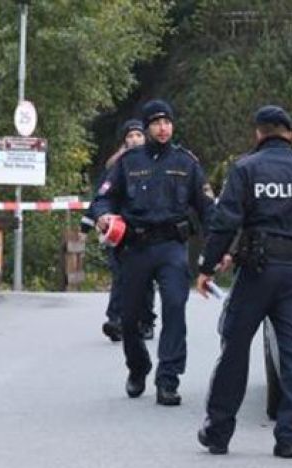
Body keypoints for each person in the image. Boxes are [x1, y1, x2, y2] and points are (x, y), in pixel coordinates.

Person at [195, 105, 292, 457]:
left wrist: (207, 265)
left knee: (234, 350)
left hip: (257, 272)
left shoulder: (246, 168)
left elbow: (225, 221)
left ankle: (218, 433)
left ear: (259, 133)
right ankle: (290, 439)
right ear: (290, 134)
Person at [91, 99, 214, 406]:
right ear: (146, 128)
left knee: (174, 308)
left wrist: (217, 249)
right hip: (135, 247)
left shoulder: (187, 163)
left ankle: (168, 379)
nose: (163, 128)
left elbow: (208, 208)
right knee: (130, 318)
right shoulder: (128, 162)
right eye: (157, 123)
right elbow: (102, 199)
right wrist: (103, 215)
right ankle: (138, 367)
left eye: (168, 122)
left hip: (172, 247)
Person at [81, 120, 157, 342]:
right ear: (124, 139)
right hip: (120, 231)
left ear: (146, 138)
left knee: (145, 278)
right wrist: (87, 225)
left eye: (139, 135)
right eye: (130, 136)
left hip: (147, 229)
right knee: (120, 276)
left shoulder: (156, 162)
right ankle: (116, 321)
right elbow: (100, 198)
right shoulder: (116, 166)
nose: (134, 139)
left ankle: (146, 321)